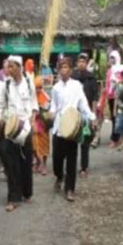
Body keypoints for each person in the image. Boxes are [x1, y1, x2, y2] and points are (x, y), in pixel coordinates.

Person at [0, 55, 38, 212]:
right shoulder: (5, 85)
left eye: (12, 66)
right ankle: (13, 197)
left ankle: (27, 193)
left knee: (25, 162)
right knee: (10, 162)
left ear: (19, 67)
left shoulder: (28, 82)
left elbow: (34, 103)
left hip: (25, 127)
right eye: (8, 66)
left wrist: (32, 119)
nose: (8, 69)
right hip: (10, 127)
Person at [49, 57, 96, 201]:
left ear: (70, 70)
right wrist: (51, 112)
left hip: (73, 125)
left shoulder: (76, 86)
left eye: (67, 67)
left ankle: (70, 189)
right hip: (59, 126)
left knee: (71, 158)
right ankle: (59, 175)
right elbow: (54, 105)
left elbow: (83, 104)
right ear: (59, 70)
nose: (64, 70)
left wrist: (91, 117)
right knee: (57, 157)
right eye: (61, 67)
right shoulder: (55, 88)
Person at [72, 53, 99, 177]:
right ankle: (71, 167)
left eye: (83, 62)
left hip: (86, 114)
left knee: (85, 142)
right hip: (73, 114)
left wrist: (93, 115)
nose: (81, 64)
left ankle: (84, 167)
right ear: (77, 63)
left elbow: (94, 97)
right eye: (79, 62)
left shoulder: (91, 78)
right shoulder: (73, 77)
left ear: (86, 63)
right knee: (71, 141)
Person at [104, 51, 123, 148]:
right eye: (110, 58)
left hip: (119, 96)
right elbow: (107, 84)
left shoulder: (122, 69)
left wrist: (117, 81)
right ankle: (117, 138)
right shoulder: (109, 70)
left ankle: (116, 139)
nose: (111, 60)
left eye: (113, 58)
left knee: (118, 117)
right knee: (113, 118)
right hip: (111, 97)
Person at [32, 76, 50, 175]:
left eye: (39, 87)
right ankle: (37, 161)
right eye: (36, 87)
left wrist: (41, 110)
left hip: (43, 124)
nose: (38, 89)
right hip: (34, 123)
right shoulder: (31, 96)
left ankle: (44, 164)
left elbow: (47, 109)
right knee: (33, 145)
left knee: (44, 145)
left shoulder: (45, 96)